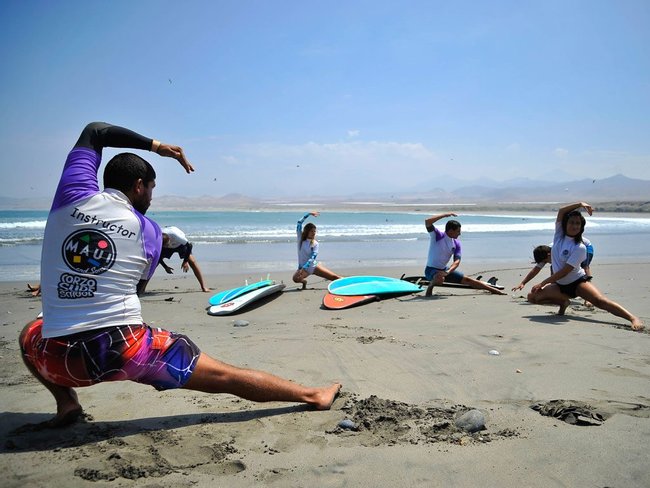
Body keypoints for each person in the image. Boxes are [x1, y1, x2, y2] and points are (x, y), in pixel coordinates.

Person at [19, 122, 342, 429]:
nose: (151, 197)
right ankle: (312, 395)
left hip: (58, 359)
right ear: (138, 186)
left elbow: (95, 131)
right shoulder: (149, 233)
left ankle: (66, 402)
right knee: (224, 376)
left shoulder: (71, 194)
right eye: (151, 189)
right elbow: (134, 284)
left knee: (28, 332)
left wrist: (155, 147)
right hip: (126, 351)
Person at [528, 202, 643, 331]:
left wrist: (543, 283)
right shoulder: (559, 236)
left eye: (578, 223)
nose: (574, 226)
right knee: (532, 297)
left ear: (582, 227)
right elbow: (561, 211)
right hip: (560, 286)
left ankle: (633, 318)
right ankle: (563, 302)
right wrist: (580, 204)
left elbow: (565, 271)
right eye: (572, 222)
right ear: (565, 224)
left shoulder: (580, 247)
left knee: (600, 301)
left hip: (577, 284)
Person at [423, 212, 506, 297]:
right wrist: (445, 215)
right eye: (458, 231)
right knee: (439, 278)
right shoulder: (438, 236)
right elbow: (428, 221)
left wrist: (448, 272)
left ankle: (494, 290)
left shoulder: (456, 243)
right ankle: (430, 288)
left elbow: (457, 261)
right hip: (431, 270)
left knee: (468, 280)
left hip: (445, 270)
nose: (459, 234)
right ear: (451, 231)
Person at [512, 238, 594, 296]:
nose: (546, 263)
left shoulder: (559, 250)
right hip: (571, 249)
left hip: (585, 246)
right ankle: (555, 292)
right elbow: (536, 269)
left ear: (549, 254)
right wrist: (523, 283)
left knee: (585, 266)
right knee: (554, 268)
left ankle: (589, 296)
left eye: (546, 261)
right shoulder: (545, 252)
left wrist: (542, 283)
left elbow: (566, 269)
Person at [292, 212, 342, 289]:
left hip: (313, 267)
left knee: (334, 277)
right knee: (296, 279)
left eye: (314, 231)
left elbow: (313, 257)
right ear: (307, 231)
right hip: (303, 269)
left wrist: (304, 267)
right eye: (312, 231)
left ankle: (349, 283)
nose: (313, 233)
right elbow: (299, 223)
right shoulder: (301, 239)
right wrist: (308, 214)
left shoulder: (315, 243)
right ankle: (304, 282)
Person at [158, 225, 210, 292]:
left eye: (167, 245)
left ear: (170, 240)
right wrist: (165, 266)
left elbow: (189, 245)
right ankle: (142, 288)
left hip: (180, 245)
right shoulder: (157, 238)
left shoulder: (176, 236)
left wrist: (185, 261)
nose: (168, 246)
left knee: (192, 261)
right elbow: (157, 255)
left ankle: (203, 287)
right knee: (155, 262)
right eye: (165, 246)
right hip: (164, 241)